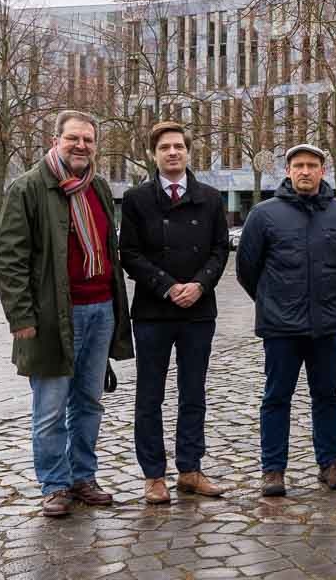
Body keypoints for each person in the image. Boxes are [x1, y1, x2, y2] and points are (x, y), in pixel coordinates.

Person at [0, 110, 134, 517]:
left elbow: (109, 252)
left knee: (89, 402)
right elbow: (9, 259)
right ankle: (54, 485)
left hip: (100, 310)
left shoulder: (98, 187)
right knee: (51, 408)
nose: (81, 146)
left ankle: (82, 477)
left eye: (88, 140)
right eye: (73, 138)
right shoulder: (28, 187)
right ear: (55, 141)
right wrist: (21, 317)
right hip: (53, 315)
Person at [236, 143, 336, 497]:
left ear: (323, 170)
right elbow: (247, 269)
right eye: (298, 165)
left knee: (327, 395)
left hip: (328, 324)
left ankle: (330, 462)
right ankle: (273, 468)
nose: (305, 171)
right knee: (276, 397)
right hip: (281, 327)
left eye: (312, 165)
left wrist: (330, 299)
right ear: (288, 171)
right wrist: (272, 301)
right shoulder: (263, 214)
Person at [119, 121, 230, 504]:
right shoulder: (136, 199)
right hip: (153, 311)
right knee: (149, 396)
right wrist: (167, 286)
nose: (172, 152)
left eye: (178, 146)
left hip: (198, 310)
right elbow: (129, 253)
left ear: (188, 152)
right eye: (164, 147)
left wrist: (199, 284)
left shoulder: (210, 198)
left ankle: (190, 469)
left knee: (193, 393)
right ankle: (153, 475)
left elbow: (220, 249)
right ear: (153, 154)